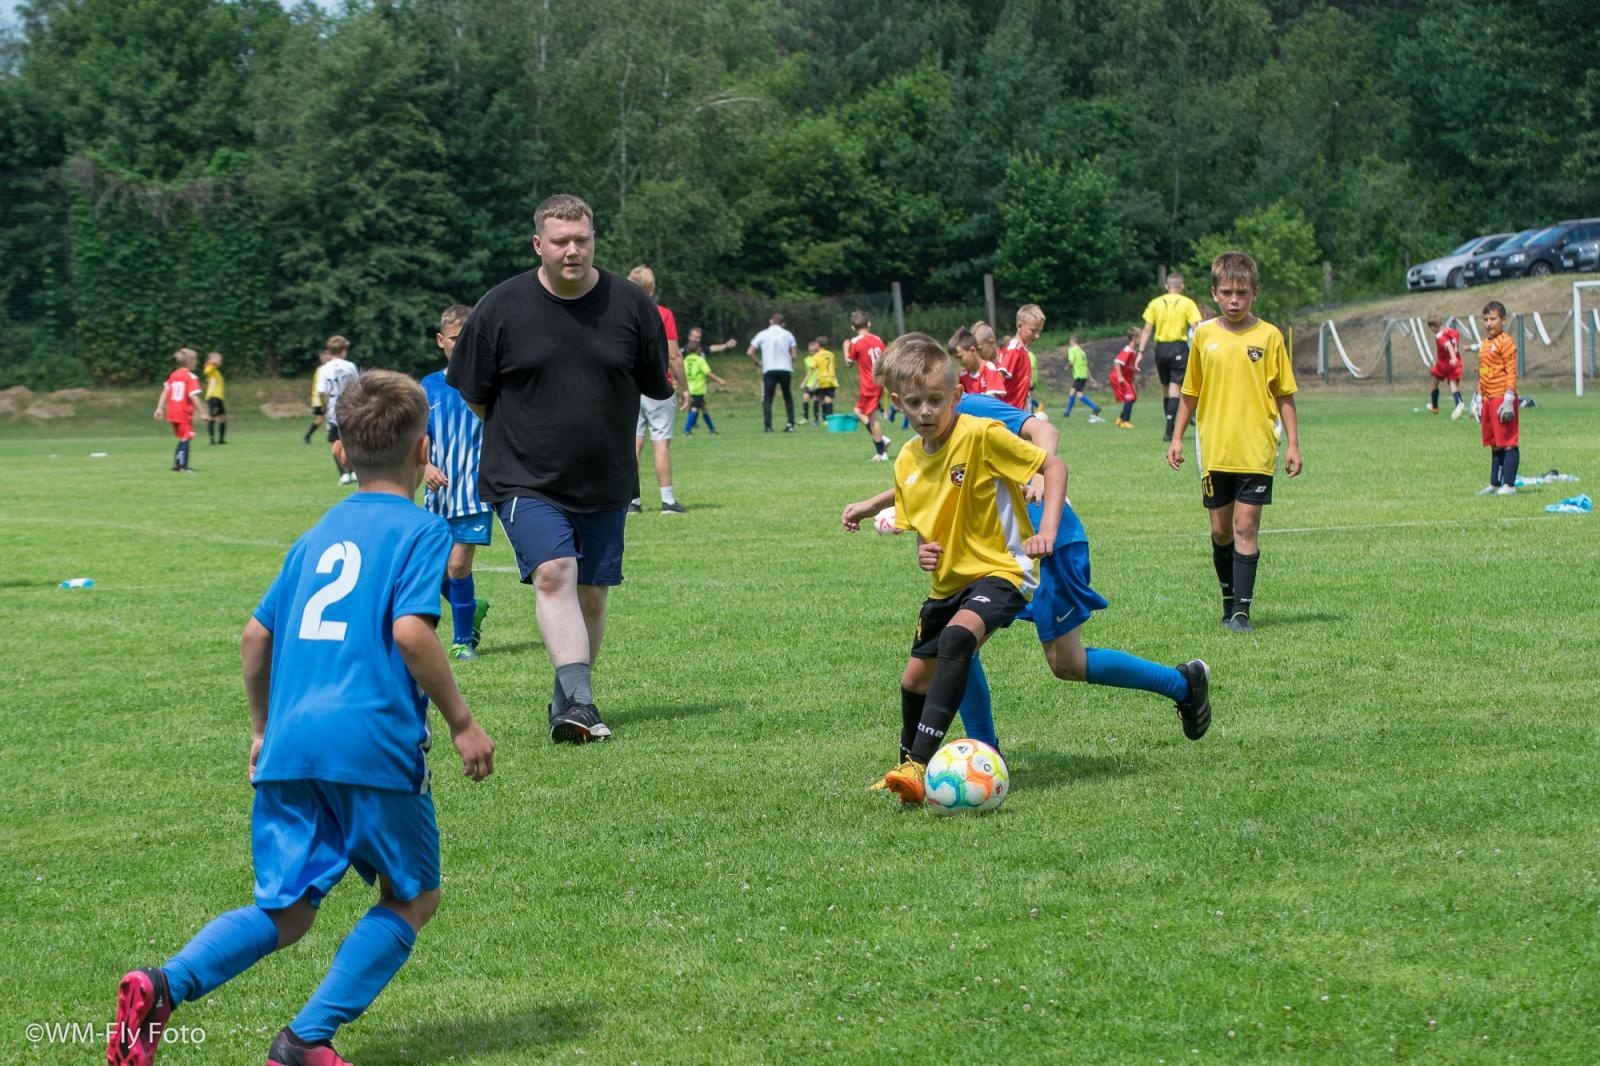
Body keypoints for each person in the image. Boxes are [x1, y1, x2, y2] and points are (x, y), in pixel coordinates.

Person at [106, 371, 495, 1066]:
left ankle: (163, 985)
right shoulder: (420, 529)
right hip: (372, 741)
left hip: (290, 744)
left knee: (286, 911)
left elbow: (255, 636)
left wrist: (261, 730)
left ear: (340, 450)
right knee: (413, 895)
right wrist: (463, 722)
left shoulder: (314, 536)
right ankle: (304, 1041)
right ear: (423, 449)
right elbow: (411, 631)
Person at [842, 374, 1211, 762]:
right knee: (959, 641)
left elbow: (1044, 432)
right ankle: (987, 754)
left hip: (1046, 542)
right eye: (911, 399)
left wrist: (1036, 475)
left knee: (1066, 663)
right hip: (990, 556)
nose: (924, 408)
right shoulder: (928, 430)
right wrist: (874, 505)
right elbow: (932, 481)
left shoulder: (970, 408)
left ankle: (1182, 684)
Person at [447, 193, 672, 744]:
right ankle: (581, 704)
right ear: (538, 245)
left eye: (582, 240)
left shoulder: (630, 305)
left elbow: (652, 383)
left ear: (593, 240)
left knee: (591, 593)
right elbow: (473, 392)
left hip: (605, 477)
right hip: (523, 477)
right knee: (554, 573)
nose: (572, 250)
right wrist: (521, 433)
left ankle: (567, 698)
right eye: (560, 241)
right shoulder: (500, 307)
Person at [852, 333, 1066, 804]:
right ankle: (905, 762)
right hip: (948, 582)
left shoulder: (981, 435)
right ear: (896, 403)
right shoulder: (907, 458)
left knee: (957, 638)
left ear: (955, 395)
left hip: (1002, 569)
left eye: (935, 400)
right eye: (914, 403)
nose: (926, 411)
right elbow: (923, 521)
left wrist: (1046, 530)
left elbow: (1053, 468)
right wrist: (923, 550)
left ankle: (919, 765)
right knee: (914, 679)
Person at [1167, 251, 1302, 633]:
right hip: (1215, 449)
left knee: (1246, 525)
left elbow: (1284, 393)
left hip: (1256, 449)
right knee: (1221, 530)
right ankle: (1227, 601)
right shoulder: (1204, 336)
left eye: (1242, 293)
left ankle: (1242, 612)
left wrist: (1293, 444)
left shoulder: (1269, 336)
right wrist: (1176, 437)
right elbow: (1190, 391)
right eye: (1226, 293)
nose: (1234, 300)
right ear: (1214, 293)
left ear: (1255, 293)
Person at [421, 304, 494, 662]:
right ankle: (471, 606)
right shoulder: (429, 386)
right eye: (453, 338)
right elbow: (418, 438)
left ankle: (463, 641)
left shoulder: (489, 382)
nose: (460, 344)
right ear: (441, 340)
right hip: (438, 496)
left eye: (466, 338)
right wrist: (425, 466)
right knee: (432, 572)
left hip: (475, 493)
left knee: (458, 566)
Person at [627, 266, 690, 515]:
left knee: (633, 443)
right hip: (657, 386)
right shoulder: (663, 314)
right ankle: (668, 500)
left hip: (630, 386)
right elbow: (674, 355)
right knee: (661, 441)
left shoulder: (622, 312)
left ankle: (632, 500)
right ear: (652, 287)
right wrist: (685, 388)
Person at [1137, 272, 1204, 442]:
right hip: (1178, 347)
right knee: (1175, 388)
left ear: (1166, 286)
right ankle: (1169, 430)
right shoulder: (1187, 303)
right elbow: (1196, 327)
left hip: (1160, 349)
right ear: (1182, 286)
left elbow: (1147, 329)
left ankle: (1169, 426)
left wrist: (1140, 352)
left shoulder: (1155, 303)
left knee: (1166, 388)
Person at [1473, 300, 1521, 495]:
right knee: (1494, 443)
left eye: (1493, 319)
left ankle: (1509, 485)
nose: (1488, 323)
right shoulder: (1484, 344)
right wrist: (1478, 398)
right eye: (1485, 319)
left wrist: (1509, 397)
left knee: (1508, 442)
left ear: (1503, 320)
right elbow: (1482, 373)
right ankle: (1495, 483)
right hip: (1488, 399)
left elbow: (1511, 371)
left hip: (1502, 397)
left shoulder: (1506, 342)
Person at [846, 310, 893, 460]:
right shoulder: (878, 340)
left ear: (853, 327)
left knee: (872, 418)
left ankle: (881, 452)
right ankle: (882, 439)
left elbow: (849, 364)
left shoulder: (856, 342)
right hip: (877, 382)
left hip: (869, 384)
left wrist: (845, 348)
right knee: (858, 411)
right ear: (869, 324)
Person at [153, 347, 206, 473]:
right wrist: (203, 412)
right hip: (183, 411)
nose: (196, 363)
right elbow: (193, 396)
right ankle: (183, 466)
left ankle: (177, 464)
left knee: (183, 436)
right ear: (189, 361)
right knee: (187, 436)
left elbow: (165, 391)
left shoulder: (174, 375)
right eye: (195, 360)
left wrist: (159, 408)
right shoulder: (190, 377)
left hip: (172, 411)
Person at [316, 337, 360, 484]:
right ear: (343, 351)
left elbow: (321, 392)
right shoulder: (350, 366)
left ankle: (343, 474)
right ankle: (354, 472)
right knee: (351, 441)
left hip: (333, 410)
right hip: (349, 408)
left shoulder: (324, 369)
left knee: (335, 442)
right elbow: (357, 388)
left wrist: (324, 407)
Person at [747, 312, 798, 433]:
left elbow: (749, 352)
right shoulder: (788, 334)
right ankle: (790, 424)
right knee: (787, 397)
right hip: (785, 369)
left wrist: (758, 363)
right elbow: (794, 356)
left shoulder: (762, 334)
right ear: (783, 323)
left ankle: (768, 426)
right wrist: (787, 359)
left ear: (770, 321)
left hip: (769, 369)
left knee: (768, 398)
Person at [682, 332, 729, 435]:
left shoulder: (685, 360)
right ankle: (686, 430)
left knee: (704, 408)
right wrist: (720, 380)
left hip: (689, 388)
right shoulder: (700, 360)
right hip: (698, 389)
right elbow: (708, 373)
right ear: (698, 350)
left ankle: (712, 430)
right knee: (694, 408)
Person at [995, 305, 1041, 411]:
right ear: (1020, 326)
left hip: (1018, 411)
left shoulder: (1023, 349)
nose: (1037, 335)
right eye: (1033, 330)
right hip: (1008, 412)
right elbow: (999, 376)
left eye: (1039, 331)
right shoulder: (1014, 349)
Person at [1428, 313, 1465, 419]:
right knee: (1453, 385)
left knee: (1435, 383)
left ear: (1432, 328)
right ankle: (1458, 402)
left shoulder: (1439, 336)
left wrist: (1452, 357)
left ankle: (1435, 407)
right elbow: (1455, 338)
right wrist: (1455, 357)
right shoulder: (1451, 331)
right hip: (1456, 362)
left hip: (1445, 363)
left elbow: (1448, 345)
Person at [950, 327, 1005, 397]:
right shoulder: (963, 375)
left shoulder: (989, 368)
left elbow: (990, 400)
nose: (959, 362)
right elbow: (961, 399)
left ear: (972, 350)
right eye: (956, 359)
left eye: (960, 357)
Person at [1062, 334, 1105, 422]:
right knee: (1074, 392)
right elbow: (1086, 366)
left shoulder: (1072, 350)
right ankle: (1067, 413)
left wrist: (1066, 367)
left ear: (1072, 341)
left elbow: (1071, 361)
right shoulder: (1082, 352)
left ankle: (1094, 407)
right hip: (1084, 375)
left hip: (1078, 375)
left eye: (1070, 341)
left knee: (1077, 394)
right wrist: (1090, 377)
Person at [801, 335, 839, 426]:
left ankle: (816, 420)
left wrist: (804, 382)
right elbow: (834, 367)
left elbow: (811, 370)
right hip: (831, 378)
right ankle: (828, 419)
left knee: (817, 398)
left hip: (822, 379)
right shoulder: (831, 354)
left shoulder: (817, 356)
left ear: (818, 345)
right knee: (828, 398)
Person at [1110, 328, 1142, 428]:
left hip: (1126, 378)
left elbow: (1130, 369)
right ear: (1134, 338)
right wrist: (1120, 376)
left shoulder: (1133, 352)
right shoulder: (1127, 350)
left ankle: (1120, 419)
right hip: (1118, 377)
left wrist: (1134, 381)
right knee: (1130, 397)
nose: (1142, 339)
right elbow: (1117, 362)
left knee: (1133, 397)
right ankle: (1125, 422)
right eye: (1140, 337)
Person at [303, 351, 330, 445]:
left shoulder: (329, 368)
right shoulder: (321, 369)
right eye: (323, 356)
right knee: (320, 420)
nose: (324, 358)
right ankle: (308, 435)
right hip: (319, 399)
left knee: (327, 419)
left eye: (326, 356)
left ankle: (334, 438)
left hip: (326, 397)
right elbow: (320, 387)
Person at [203, 351, 228, 445]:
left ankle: (221, 440)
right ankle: (212, 440)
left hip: (219, 397)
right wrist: (212, 362)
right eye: (218, 359)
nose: (220, 361)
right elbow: (206, 371)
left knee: (223, 418)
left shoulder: (216, 371)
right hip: (213, 397)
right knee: (212, 417)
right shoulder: (210, 368)